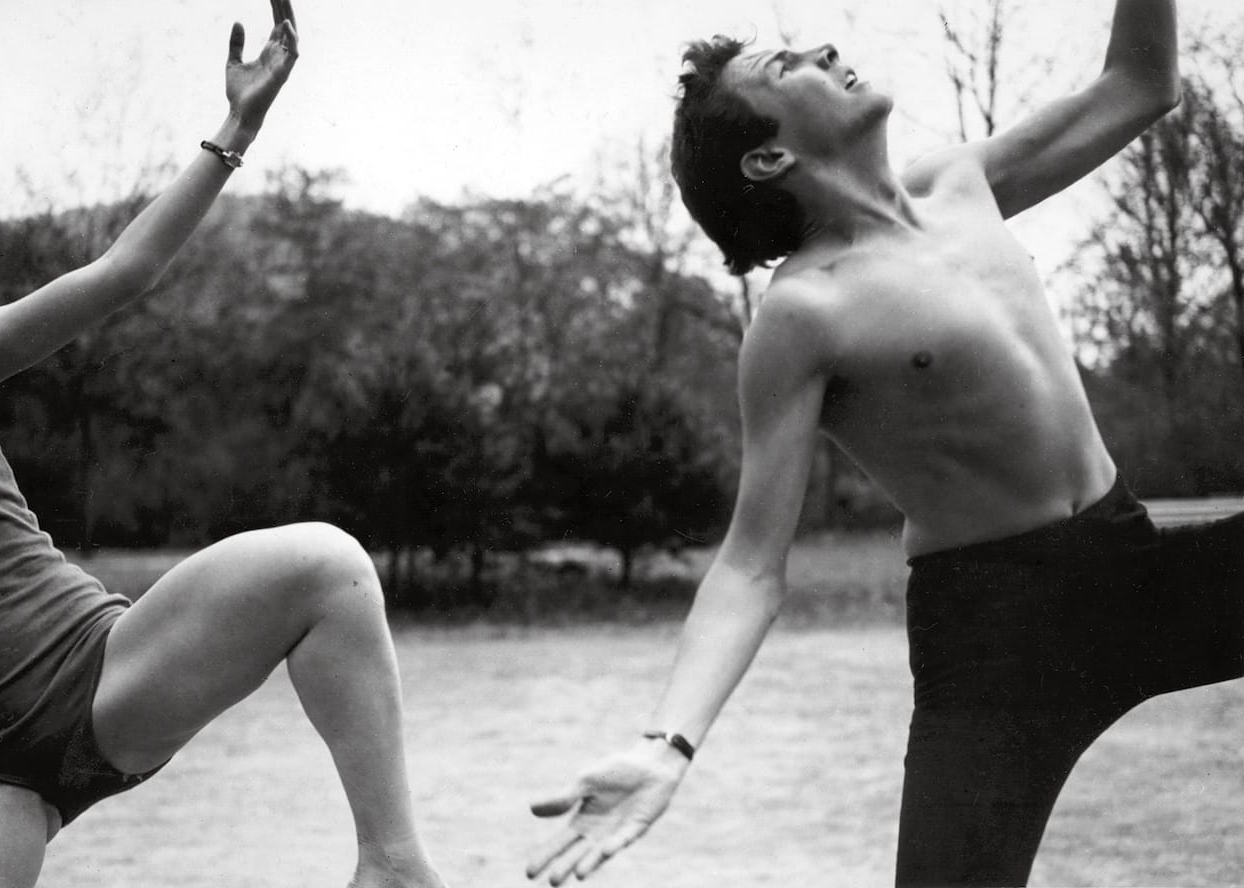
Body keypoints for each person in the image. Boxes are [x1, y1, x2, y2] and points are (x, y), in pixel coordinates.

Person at [526, 1, 1241, 886]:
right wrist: (668, 743)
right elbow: (751, 562)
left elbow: (1141, 84)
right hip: (999, 641)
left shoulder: (961, 185)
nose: (826, 49)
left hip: (1131, 567)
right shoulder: (803, 313)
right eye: (790, 66)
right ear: (768, 156)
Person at [0, 5, 446, 887]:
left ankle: (391, 862)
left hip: (102, 675)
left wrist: (238, 126)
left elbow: (121, 273)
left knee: (325, 566)